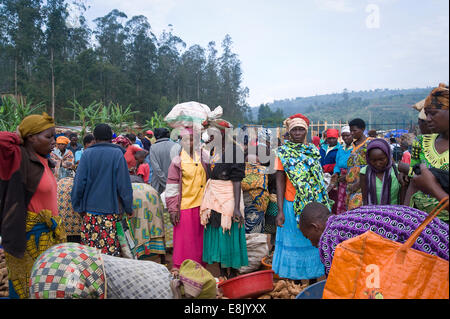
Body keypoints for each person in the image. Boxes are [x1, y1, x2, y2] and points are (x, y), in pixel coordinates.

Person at [0, 113, 66, 299]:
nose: (53, 141)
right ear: (30, 137)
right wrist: (18, 135)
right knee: (26, 289)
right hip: (27, 236)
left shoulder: (43, 160)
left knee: (46, 289)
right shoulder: (19, 157)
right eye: (48, 136)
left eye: (54, 136)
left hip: (47, 235)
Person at [299, 202, 449, 276]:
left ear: (315, 227)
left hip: (426, 242)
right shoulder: (344, 219)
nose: (312, 243)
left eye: (307, 237)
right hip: (432, 227)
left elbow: (335, 280)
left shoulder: (328, 237)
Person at [273, 113, 331, 284]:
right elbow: (280, 182)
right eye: (294, 130)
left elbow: (318, 179)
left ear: (306, 131)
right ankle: (296, 284)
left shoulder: (313, 151)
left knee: (313, 242)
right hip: (292, 206)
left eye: (301, 129)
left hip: (314, 205)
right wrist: (280, 210)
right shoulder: (283, 153)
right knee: (294, 242)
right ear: (289, 132)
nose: (297, 133)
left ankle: (313, 281)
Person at [71, 124, 134, 256]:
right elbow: (124, 185)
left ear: (94, 137)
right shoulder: (117, 154)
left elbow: (79, 183)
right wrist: (128, 207)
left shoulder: (87, 154)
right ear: (111, 137)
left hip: (90, 212)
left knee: (91, 254)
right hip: (111, 212)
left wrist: (77, 206)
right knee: (110, 254)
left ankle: (92, 276)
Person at [200, 119, 248, 280]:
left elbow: (237, 180)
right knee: (217, 229)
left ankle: (233, 270)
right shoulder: (214, 150)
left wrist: (235, 207)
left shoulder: (235, 151)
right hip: (214, 195)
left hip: (229, 196)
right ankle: (222, 271)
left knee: (229, 231)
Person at [165, 127, 210, 271]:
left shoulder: (204, 157)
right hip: (185, 206)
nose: (189, 142)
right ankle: (181, 268)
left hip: (202, 205)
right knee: (185, 241)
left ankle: (200, 268)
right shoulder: (177, 161)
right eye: (185, 140)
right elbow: (172, 187)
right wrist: (172, 209)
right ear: (181, 142)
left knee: (199, 241)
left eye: (192, 139)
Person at [404, 83, 449, 222]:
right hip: (421, 222)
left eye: (433, 113)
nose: (428, 119)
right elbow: (414, 178)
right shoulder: (421, 141)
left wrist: (432, 187)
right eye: (427, 113)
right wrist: (405, 217)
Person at [150, 128, 181, 250]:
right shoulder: (176, 146)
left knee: (160, 215)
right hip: (176, 185)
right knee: (175, 212)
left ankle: (162, 243)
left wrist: (165, 182)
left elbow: (156, 169)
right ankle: (175, 241)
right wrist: (172, 183)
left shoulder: (153, 148)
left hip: (159, 185)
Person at [130, 180, 167, 264]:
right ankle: (162, 258)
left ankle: (138, 256)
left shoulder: (128, 186)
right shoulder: (150, 188)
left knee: (138, 227)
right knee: (156, 222)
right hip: (151, 194)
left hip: (135, 196)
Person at [360, 138, 404, 205]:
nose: (378, 163)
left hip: (394, 212)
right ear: (368, 159)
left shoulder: (397, 170)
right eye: (373, 160)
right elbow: (365, 199)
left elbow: (403, 196)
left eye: (381, 159)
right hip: (373, 213)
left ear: (388, 156)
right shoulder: (364, 172)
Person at [346, 118, 373, 210]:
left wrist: (359, 183)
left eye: (354, 130)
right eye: (350, 131)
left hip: (363, 185)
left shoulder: (370, 144)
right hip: (351, 186)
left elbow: (372, 166)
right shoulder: (353, 145)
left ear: (362, 129)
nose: (352, 133)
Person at [242, 153, 270, 234]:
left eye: (258, 162)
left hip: (256, 208)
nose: (258, 165)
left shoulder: (240, 172)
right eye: (255, 163)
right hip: (247, 206)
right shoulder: (262, 170)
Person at [329, 125, 353, 214]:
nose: (345, 138)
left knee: (350, 199)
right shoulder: (341, 149)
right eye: (343, 136)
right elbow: (337, 163)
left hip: (352, 177)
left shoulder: (354, 148)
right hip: (341, 178)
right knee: (341, 199)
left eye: (348, 135)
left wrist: (347, 176)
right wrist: (336, 173)